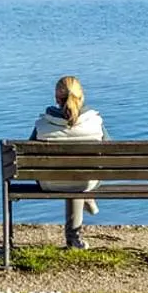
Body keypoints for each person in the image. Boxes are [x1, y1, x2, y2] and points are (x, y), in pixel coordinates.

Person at [30, 75, 111, 249]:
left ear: (56, 98)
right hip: (86, 180)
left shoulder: (43, 124)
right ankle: (76, 230)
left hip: (49, 182)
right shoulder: (94, 121)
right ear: (81, 96)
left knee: (70, 175)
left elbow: (28, 155)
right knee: (79, 177)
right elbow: (109, 152)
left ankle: (74, 237)